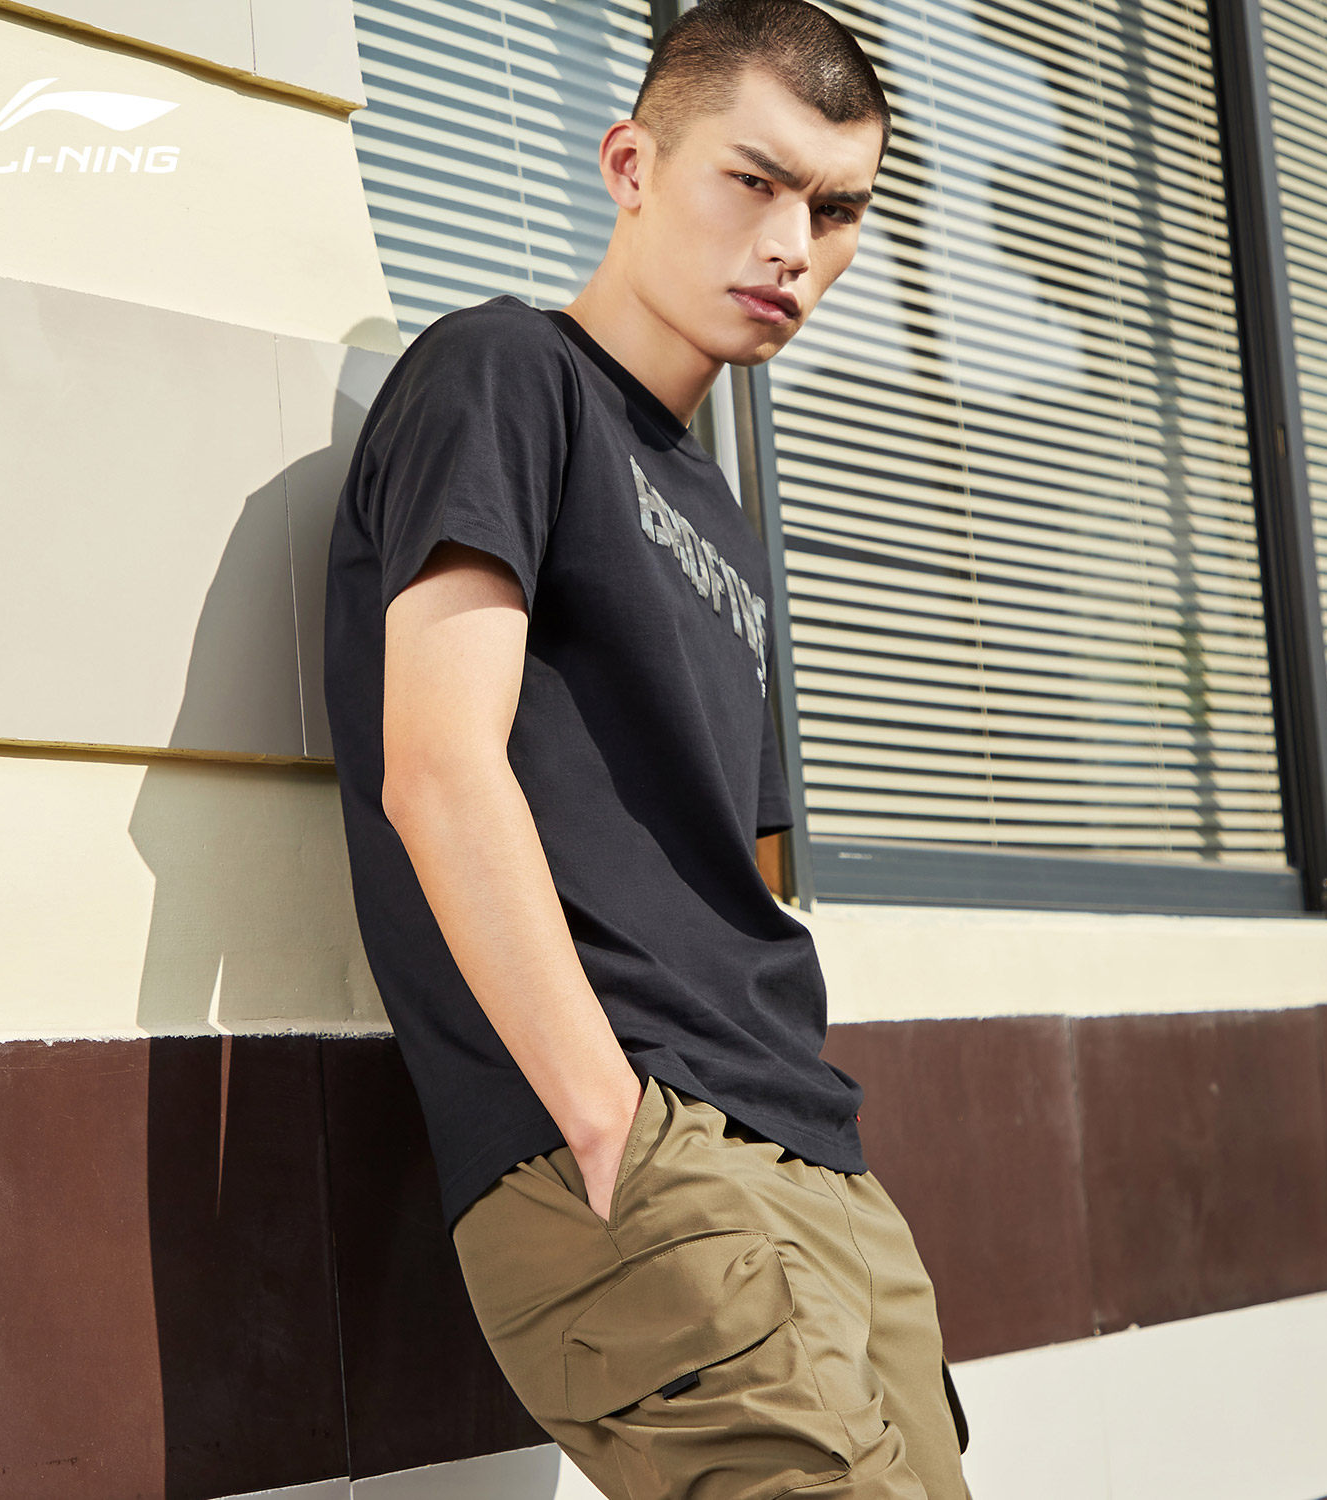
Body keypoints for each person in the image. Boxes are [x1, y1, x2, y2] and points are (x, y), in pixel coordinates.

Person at [322, 1, 971, 1494]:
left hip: (818, 1170)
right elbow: (437, 767)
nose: (792, 244)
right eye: (754, 180)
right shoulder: (504, 373)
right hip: (642, 1147)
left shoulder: (728, 525)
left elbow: (740, 873)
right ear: (631, 164)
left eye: (836, 208)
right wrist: (606, 1121)